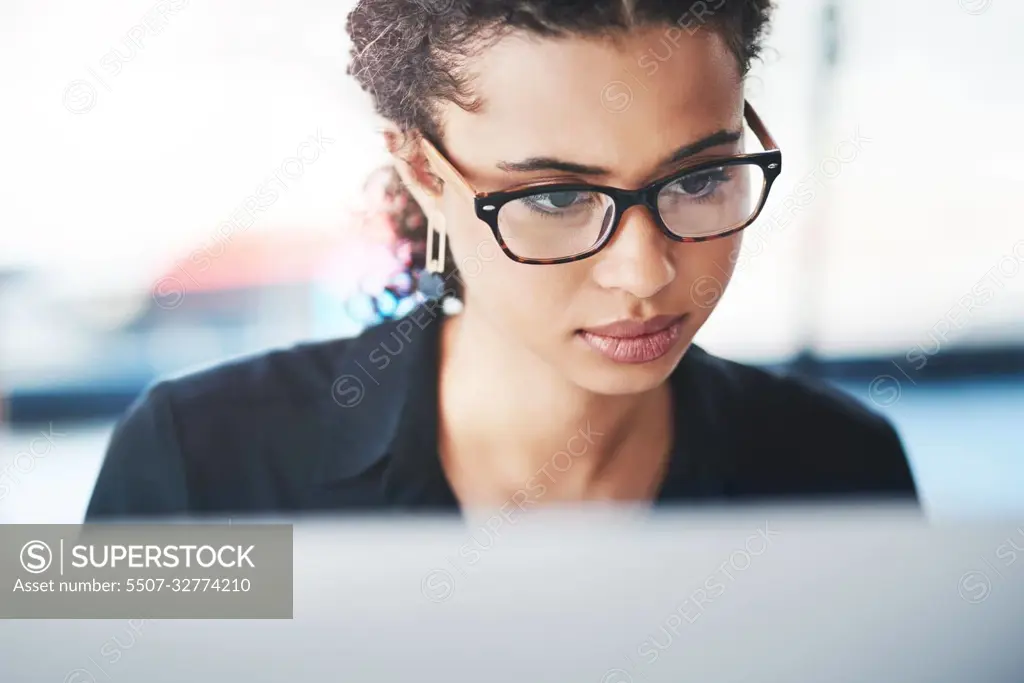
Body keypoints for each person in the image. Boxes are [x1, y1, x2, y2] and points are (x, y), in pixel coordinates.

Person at [86, 0, 917, 519]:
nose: (645, 272)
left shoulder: (840, 469)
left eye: (698, 177)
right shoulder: (201, 469)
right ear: (424, 171)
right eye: (556, 198)